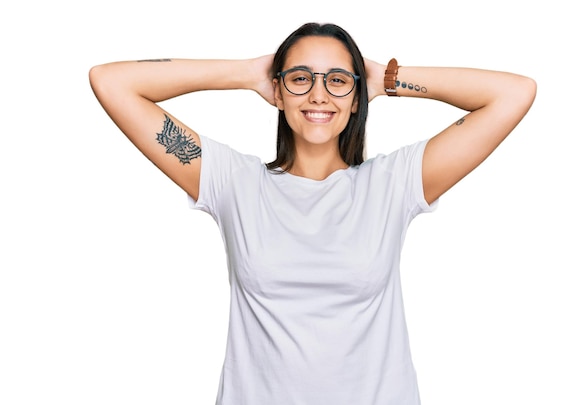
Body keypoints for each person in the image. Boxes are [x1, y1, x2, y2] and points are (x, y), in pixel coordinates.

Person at [89, 22, 536, 405]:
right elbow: (112, 82)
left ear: (357, 97)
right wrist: (248, 74)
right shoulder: (233, 182)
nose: (319, 94)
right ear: (278, 92)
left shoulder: (394, 183)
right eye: (301, 78)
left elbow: (513, 93)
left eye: (338, 80)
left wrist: (387, 79)